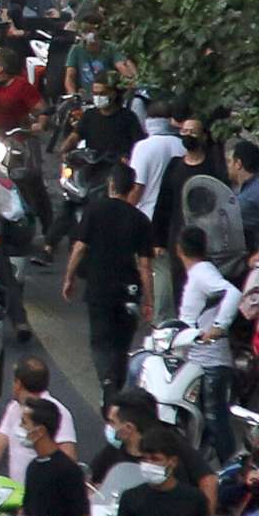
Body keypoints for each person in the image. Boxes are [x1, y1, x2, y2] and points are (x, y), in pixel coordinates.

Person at [60, 164, 154, 392]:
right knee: (121, 345)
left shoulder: (95, 209)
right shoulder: (141, 220)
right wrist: (149, 299)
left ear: (111, 184)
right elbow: (144, 265)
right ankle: (116, 386)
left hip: (99, 287)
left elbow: (80, 247)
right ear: (132, 189)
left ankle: (108, 385)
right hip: (128, 291)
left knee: (101, 342)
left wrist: (69, 277)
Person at [170, 225, 242, 460]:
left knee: (214, 417)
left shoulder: (202, 272)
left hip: (209, 360)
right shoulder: (200, 273)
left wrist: (219, 326)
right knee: (203, 418)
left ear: (179, 249)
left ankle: (229, 465)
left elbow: (232, 293)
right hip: (196, 358)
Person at [0, 358, 77, 485]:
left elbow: (68, 461)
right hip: (19, 497)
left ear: (18, 384)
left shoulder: (58, 413)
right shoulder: (14, 408)